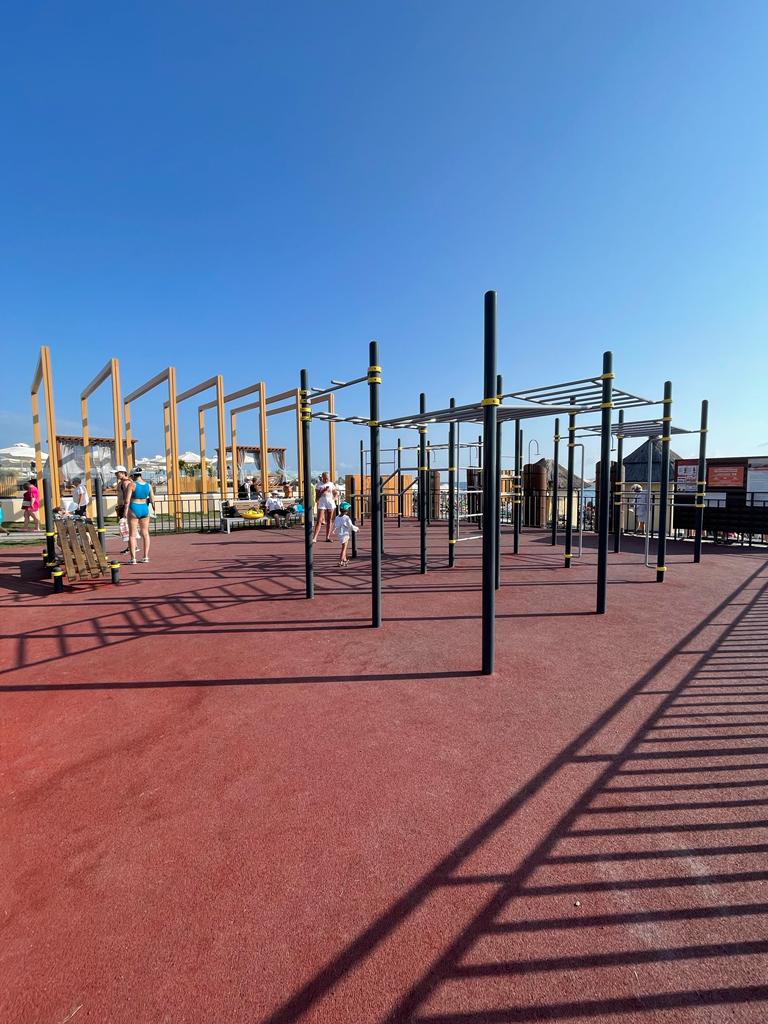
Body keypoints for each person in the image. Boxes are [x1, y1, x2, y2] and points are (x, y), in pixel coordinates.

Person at [126, 467, 154, 564]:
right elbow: (152, 500)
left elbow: (127, 500)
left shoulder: (132, 484)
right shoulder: (148, 485)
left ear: (133, 475)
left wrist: (125, 512)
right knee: (145, 533)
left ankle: (133, 558)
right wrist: (153, 510)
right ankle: (145, 557)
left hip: (134, 507)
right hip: (144, 508)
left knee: (132, 535)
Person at [312, 472, 338, 543]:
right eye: (325, 478)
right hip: (322, 502)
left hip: (330, 502)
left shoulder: (331, 484)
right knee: (319, 520)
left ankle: (327, 537)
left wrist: (335, 497)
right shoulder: (319, 484)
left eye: (327, 478)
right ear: (322, 478)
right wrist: (323, 490)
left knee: (329, 520)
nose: (326, 480)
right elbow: (317, 496)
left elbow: (335, 492)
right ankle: (314, 537)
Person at [114, 465, 133, 554]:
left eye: (117, 473)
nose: (116, 475)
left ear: (123, 473)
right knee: (125, 528)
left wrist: (125, 510)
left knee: (126, 528)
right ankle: (132, 546)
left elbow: (127, 497)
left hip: (126, 507)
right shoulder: (120, 483)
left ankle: (132, 547)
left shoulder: (126, 483)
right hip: (121, 507)